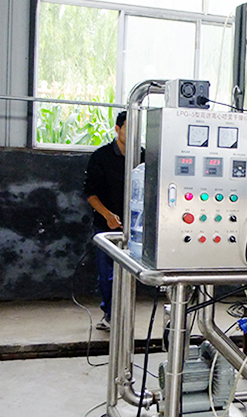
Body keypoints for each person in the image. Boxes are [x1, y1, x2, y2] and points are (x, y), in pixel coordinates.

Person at [84, 111, 142, 331]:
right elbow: (90, 194)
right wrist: (107, 215)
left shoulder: (145, 157)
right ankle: (110, 314)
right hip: (106, 226)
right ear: (117, 129)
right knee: (107, 274)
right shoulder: (101, 157)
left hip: (135, 229)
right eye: (128, 127)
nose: (133, 133)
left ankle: (123, 314)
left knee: (132, 273)